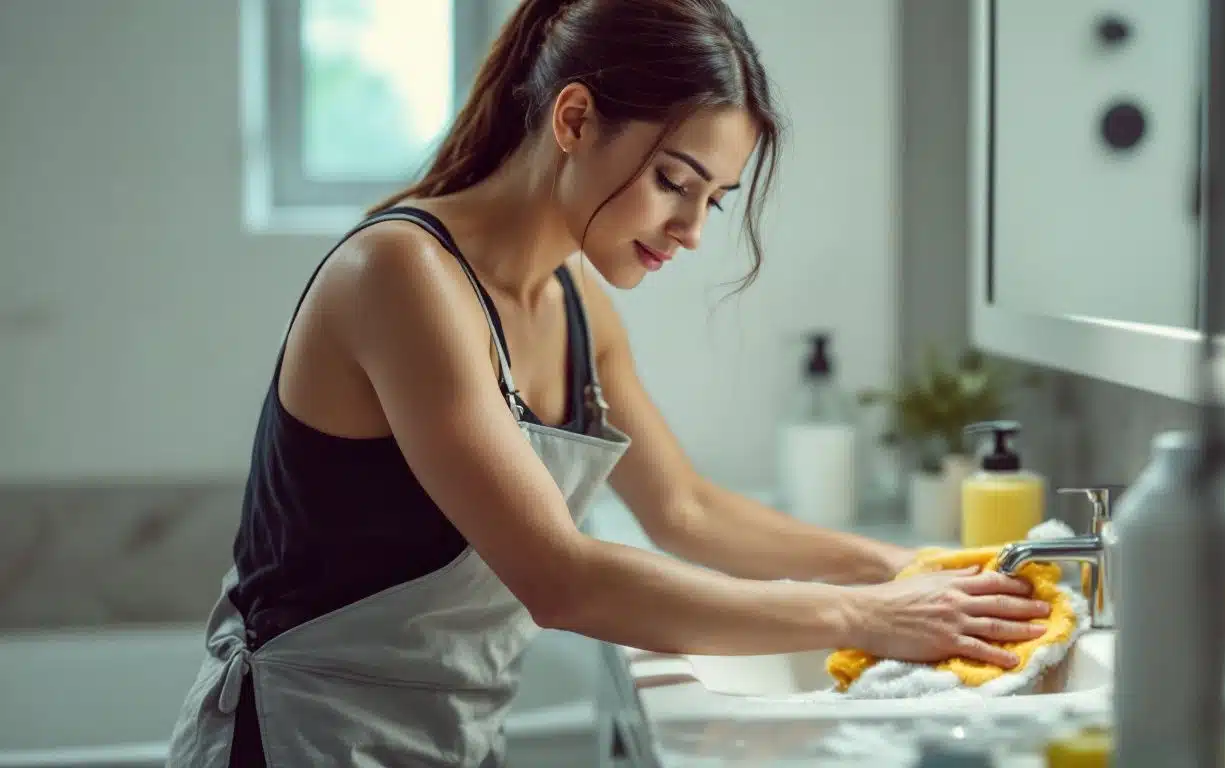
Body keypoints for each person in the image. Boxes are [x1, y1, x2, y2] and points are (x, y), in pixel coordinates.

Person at [167, 0, 1050, 765]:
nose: (693, 230)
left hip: (443, 739)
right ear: (575, 118)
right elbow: (563, 580)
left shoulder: (570, 297)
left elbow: (687, 512)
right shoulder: (402, 275)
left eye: (714, 198)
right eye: (675, 181)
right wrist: (869, 616)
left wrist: (900, 565)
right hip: (296, 741)